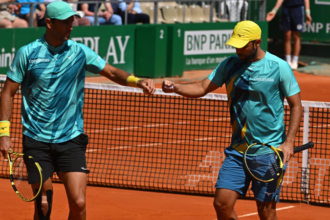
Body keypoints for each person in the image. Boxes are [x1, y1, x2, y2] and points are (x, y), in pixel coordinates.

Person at [0, 1, 154, 220]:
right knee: (43, 206)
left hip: (71, 139)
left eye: (71, 21)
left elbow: (111, 71)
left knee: (79, 203)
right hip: (36, 140)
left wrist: (137, 81)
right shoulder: (28, 53)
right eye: (65, 22)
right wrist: (4, 133)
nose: (70, 26)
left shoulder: (80, 51)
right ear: (50, 23)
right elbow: (7, 93)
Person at [162, 20, 302, 220]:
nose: (238, 49)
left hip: (269, 152)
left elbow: (296, 105)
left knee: (266, 212)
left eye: (243, 45)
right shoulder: (229, 65)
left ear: (257, 42)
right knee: (221, 203)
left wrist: (289, 142)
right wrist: (175, 87)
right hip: (238, 151)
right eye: (236, 44)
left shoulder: (279, 67)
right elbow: (201, 87)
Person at [266, 0, 312, 70]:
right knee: (287, 35)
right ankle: (288, 61)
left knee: (296, 36)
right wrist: (274, 11)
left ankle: (295, 61)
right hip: (286, 9)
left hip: (298, 9)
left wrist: (307, 13)